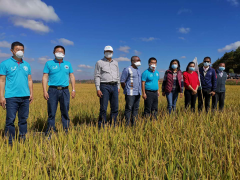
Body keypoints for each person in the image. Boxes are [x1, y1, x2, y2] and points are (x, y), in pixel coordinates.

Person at [0, 41, 33, 144]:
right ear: (12, 51)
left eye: (22, 50)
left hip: (25, 96)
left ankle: (23, 140)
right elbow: (2, 80)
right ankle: (10, 142)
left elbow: (29, 79)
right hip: (11, 97)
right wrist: (1, 96)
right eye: (18, 49)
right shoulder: (5, 64)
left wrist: (31, 93)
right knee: (10, 120)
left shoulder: (27, 64)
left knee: (23, 119)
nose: (20, 51)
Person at [42, 45, 76, 135]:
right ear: (54, 53)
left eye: (61, 52)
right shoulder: (49, 63)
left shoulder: (68, 64)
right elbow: (45, 77)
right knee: (51, 112)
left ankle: (66, 130)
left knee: (65, 111)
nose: (59, 53)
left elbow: (72, 76)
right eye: (57, 51)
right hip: (52, 90)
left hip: (65, 90)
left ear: (64, 54)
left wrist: (73, 90)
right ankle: (50, 131)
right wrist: (45, 91)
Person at [94, 46, 120, 128]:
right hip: (104, 86)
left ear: (112, 52)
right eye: (107, 51)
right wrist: (98, 89)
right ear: (104, 52)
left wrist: (118, 86)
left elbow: (118, 75)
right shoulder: (99, 62)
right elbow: (97, 76)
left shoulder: (116, 63)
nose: (109, 53)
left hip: (115, 86)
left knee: (115, 107)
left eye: (110, 51)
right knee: (103, 108)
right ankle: (102, 126)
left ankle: (113, 124)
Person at [120, 56, 141, 126]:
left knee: (136, 108)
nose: (139, 62)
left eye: (139, 60)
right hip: (130, 93)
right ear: (132, 62)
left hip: (138, 92)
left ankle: (134, 123)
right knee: (129, 108)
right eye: (138, 60)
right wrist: (127, 89)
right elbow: (122, 81)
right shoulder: (127, 69)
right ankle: (127, 124)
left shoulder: (138, 70)